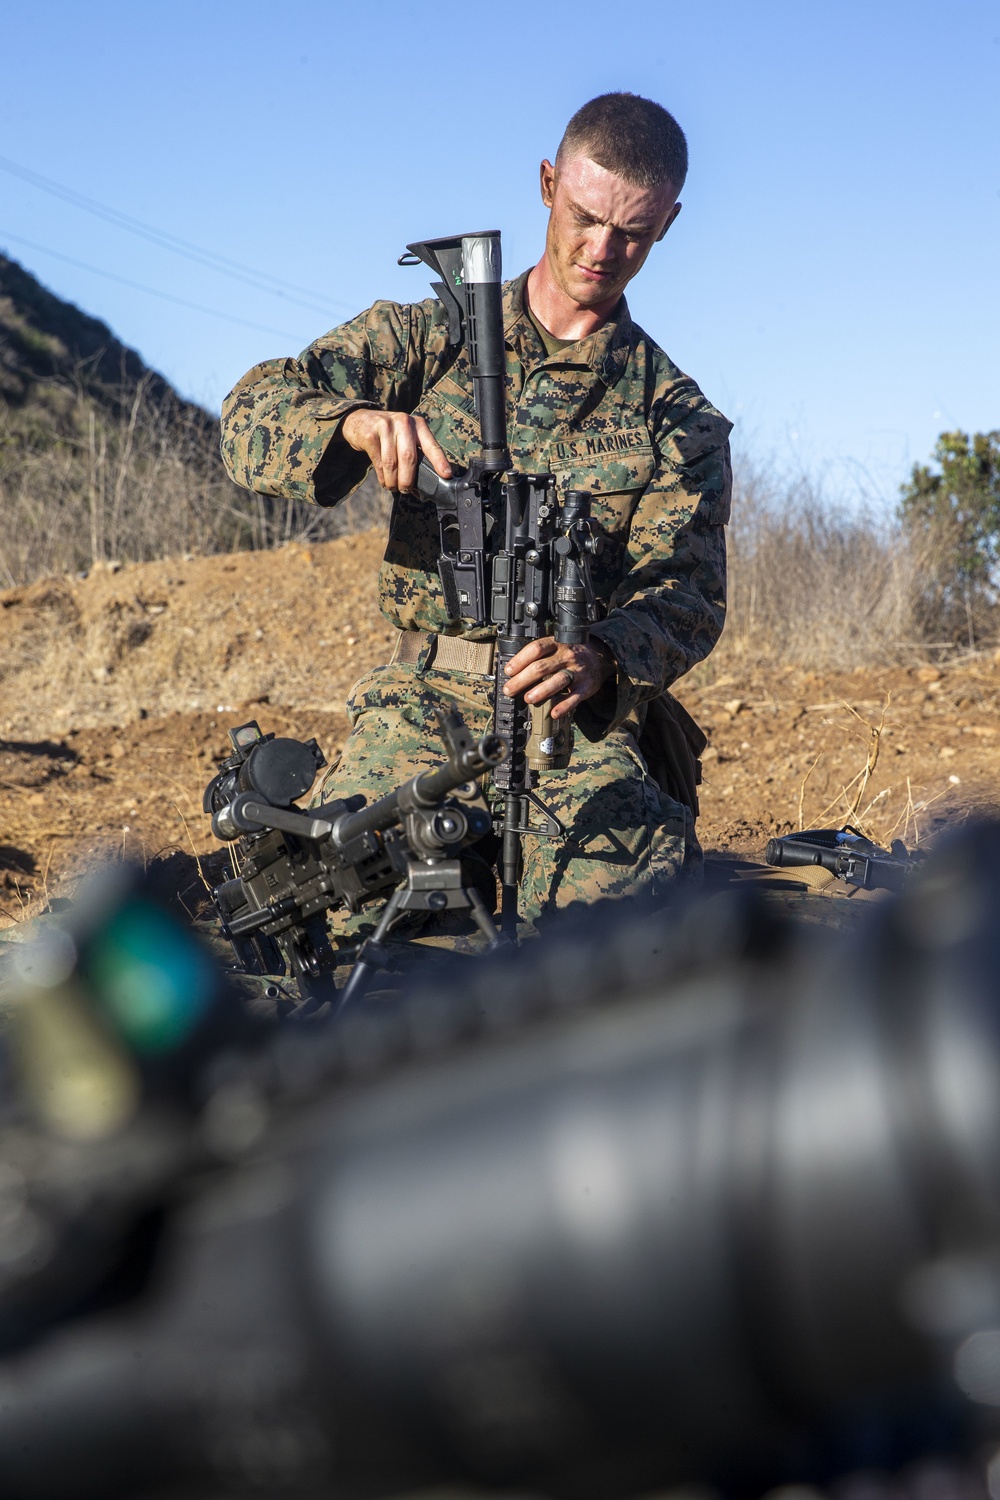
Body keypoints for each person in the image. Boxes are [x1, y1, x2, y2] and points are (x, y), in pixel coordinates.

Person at [220, 92, 732, 935]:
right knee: (346, 910)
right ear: (546, 185)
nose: (602, 249)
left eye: (632, 232)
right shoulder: (434, 337)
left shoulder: (676, 417)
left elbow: (689, 595)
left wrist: (602, 656)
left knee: (632, 944)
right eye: (585, 216)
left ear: (668, 224)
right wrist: (351, 424)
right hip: (423, 702)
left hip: (571, 726)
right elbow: (249, 416)